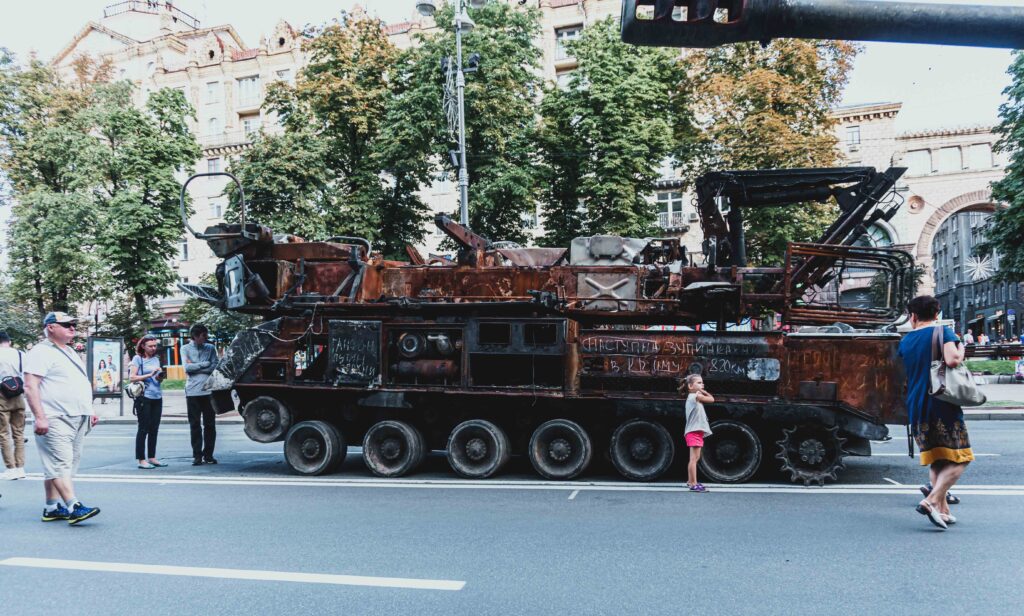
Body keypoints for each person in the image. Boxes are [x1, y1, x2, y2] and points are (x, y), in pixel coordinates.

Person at [898, 296, 972, 531]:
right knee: (961, 458)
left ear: (913, 316)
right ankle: (930, 502)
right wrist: (961, 349)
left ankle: (944, 510)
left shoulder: (906, 340)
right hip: (941, 402)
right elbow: (952, 360)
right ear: (937, 313)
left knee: (937, 459)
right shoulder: (943, 333)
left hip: (916, 404)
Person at [23, 312, 100, 524]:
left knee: (63, 463)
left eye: (73, 324)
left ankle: (51, 507)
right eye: (66, 324)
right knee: (60, 462)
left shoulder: (69, 351)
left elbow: (77, 383)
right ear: (50, 327)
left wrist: (89, 410)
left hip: (77, 415)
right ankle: (73, 505)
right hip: (55, 416)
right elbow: (30, 386)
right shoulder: (40, 351)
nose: (72, 328)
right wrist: (40, 417)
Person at [182, 324, 219, 466]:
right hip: (192, 391)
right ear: (195, 336)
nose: (206, 338)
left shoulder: (210, 348)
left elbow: (214, 366)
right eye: (204, 335)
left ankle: (208, 455)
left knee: (210, 424)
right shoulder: (185, 349)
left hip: (208, 390)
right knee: (195, 424)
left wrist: (196, 366)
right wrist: (204, 364)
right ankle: (197, 455)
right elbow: (187, 368)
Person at [129, 335, 166, 469]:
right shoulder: (137, 359)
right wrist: (150, 375)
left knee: (154, 429)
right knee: (143, 428)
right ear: (143, 346)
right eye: (150, 346)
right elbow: (132, 378)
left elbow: (157, 380)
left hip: (157, 396)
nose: (153, 348)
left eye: (155, 345)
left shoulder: (156, 359)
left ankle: (152, 457)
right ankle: (141, 460)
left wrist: (160, 376)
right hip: (144, 397)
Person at [1, 330, 28, 480]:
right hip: (18, 395)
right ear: (9, 341)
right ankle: (20, 468)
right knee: (19, 433)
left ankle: (10, 469)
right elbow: (26, 375)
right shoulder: (20, 354)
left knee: (4, 433)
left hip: (1, 396)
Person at [681, 373, 714, 493]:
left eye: (702, 382)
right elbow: (712, 399)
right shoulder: (695, 396)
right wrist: (704, 392)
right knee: (694, 459)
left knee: (695, 458)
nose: (702, 384)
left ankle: (691, 481)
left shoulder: (695, 396)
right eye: (699, 383)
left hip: (695, 431)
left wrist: (701, 391)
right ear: (690, 386)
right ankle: (693, 484)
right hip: (694, 431)